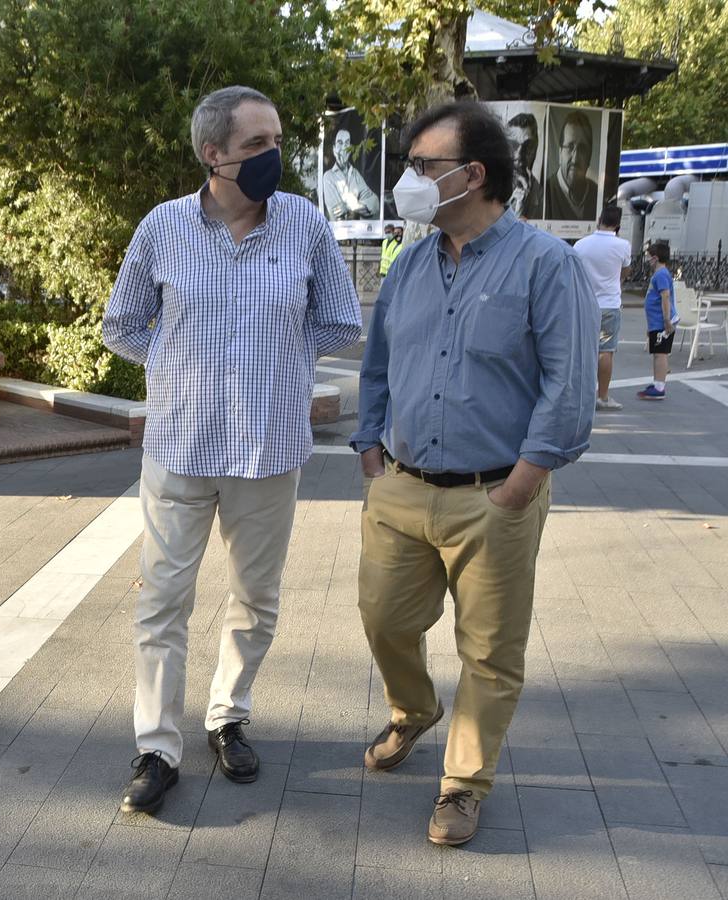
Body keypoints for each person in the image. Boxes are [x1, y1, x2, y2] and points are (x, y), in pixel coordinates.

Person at [103, 85, 362, 815]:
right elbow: (121, 323)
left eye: (276, 141)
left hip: (269, 450)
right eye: (255, 145)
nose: (271, 155)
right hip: (180, 447)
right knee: (162, 602)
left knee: (256, 599)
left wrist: (280, 361)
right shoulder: (163, 227)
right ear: (213, 154)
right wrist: (176, 363)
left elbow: (338, 321)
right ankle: (156, 746)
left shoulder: (305, 225)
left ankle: (228, 715)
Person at [351, 102, 596, 846]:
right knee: (385, 620)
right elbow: (380, 365)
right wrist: (369, 447)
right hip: (401, 486)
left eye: (424, 167)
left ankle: (463, 783)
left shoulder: (546, 264)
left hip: (496, 495)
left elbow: (569, 386)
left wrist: (520, 484)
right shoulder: (411, 264)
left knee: (489, 651)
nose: (409, 181)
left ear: (474, 174)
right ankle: (412, 709)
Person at [573, 206, 633, 410]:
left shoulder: (581, 245)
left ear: (599, 220)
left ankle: (580, 394)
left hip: (584, 303)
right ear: (618, 224)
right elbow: (625, 272)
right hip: (609, 303)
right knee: (606, 351)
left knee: (581, 351)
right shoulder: (623, 245)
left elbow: (575, 272)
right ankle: (603, 396)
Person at [638, 241, 677, 400]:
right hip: (657, 322)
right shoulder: (660, 274)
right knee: (657, 353)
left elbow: (665, 296)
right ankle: (657, 383)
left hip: (662, 322)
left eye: (648, 257)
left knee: (661, 353)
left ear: (655, 258)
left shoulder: (661, 275)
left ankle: (660, 387)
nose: (647, 260)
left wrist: (667, 320)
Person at [546, 110, 599, 221]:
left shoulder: (598, 195)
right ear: (560, 152)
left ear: (589, 155)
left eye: (582, 149)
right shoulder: (544, 193)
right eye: (570, 147)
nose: (575, 158)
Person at [322, 128, 379, 220]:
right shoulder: (328, 176)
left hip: (359, 231)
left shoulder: (355, 173)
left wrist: (350, 207)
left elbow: (374, 203)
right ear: (334, 149)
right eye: (340, 143)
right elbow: (337, 213)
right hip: (338, 232)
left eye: (347, 143)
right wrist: (360, 206)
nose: (344, 148)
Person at [505, 113, 543, 220]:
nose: (518, 155)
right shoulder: (491, 190)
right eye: (513, 145)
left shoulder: (541, 195)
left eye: (527, 146)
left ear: (535, 149)